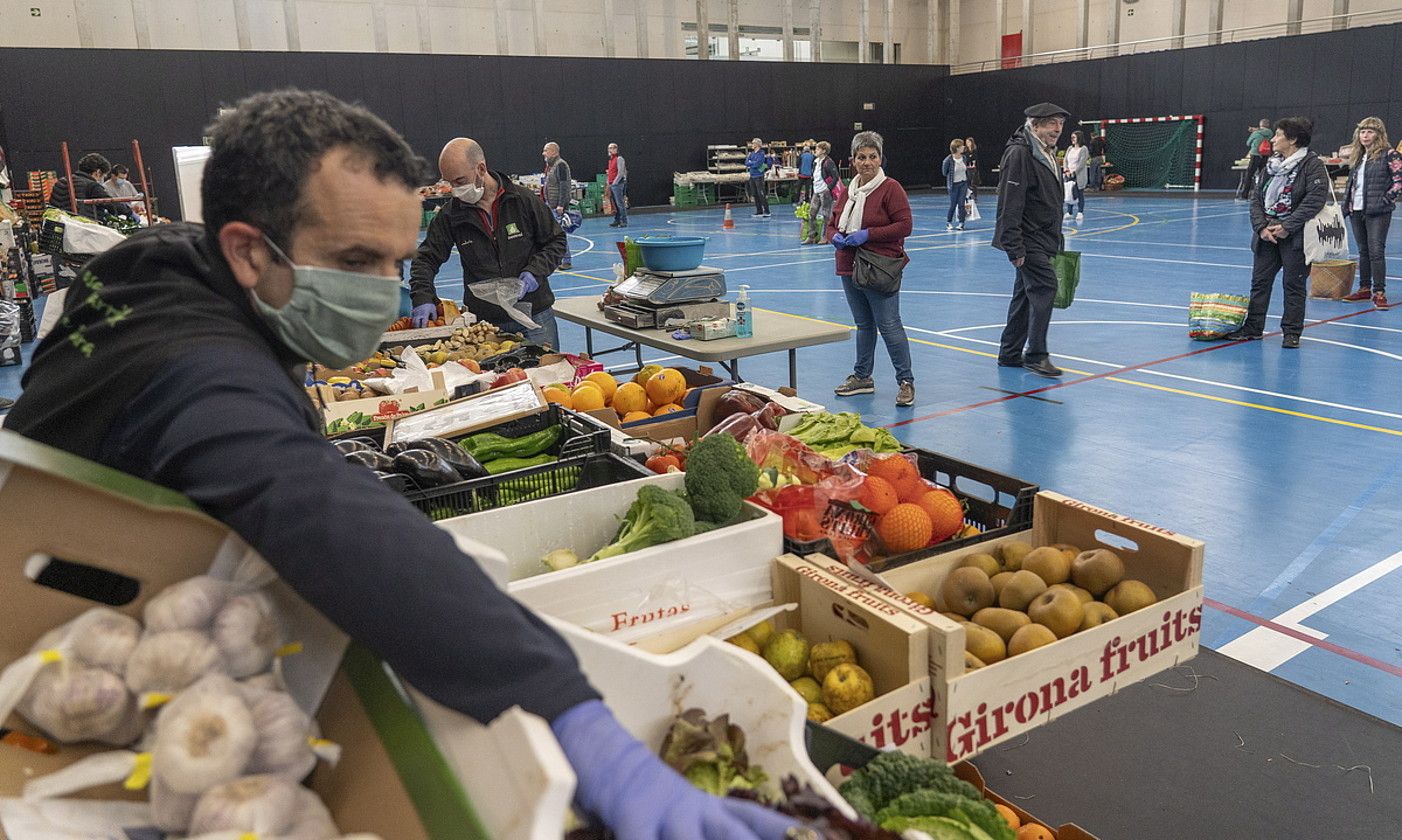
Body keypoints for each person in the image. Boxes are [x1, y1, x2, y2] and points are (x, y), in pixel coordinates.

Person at [3, 89, 795, 840]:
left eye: (398, 261)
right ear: (247, 250)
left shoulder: (161, 262)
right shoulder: (196, 374)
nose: (384, 295)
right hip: (57, 682)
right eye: (354, 259)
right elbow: (325, 514)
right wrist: (568, 709)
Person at [410, 138, 563, 349]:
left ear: (481, 169)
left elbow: (556, 241)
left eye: (460, 181)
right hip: (485, 328)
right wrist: (422, 296)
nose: (455, 190)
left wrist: (533, 274)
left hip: (535, 318)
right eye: (450, 183)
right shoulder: (451, 215)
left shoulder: (523, 201)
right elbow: (425, 259)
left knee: (546, 377)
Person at [1223, 117, 1329, 348]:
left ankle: (1292, 332)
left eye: (1278, 135)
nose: (1272, 139)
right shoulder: (1271, 165)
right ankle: (1253, 327)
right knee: (1260, 282)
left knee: (1294, 285)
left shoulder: (1312, 165)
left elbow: (1315, 200)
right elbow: (1256, 198)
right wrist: (1261, 227)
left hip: (1295, 237)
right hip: (1267, 235)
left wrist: (1287, 226)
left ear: (1292, 139)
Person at [828, 131, 915, 407]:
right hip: (849, 267)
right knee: (864, 325)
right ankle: (863, 376)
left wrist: (868, 234)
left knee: (889, 326)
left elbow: (905, 226)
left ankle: (906, 381)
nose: (867, 162)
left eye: (872, 156)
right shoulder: (847, 193)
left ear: (880, 159)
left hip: (879, 268)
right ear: (853, 161)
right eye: (861, 157)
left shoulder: (891, 188)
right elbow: (831, 224)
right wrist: (834, 238)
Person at [994, 102, 1069, 378]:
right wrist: (1014, 246)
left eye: (1060, 124)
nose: (1057, 130)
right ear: (1035, 125)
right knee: (1045, 287)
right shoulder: (1020, 153)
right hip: (1028, 238)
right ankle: (1037, 355)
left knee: (1025, 295)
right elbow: (1009, 203)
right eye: (1052, 124)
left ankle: (1010, 353)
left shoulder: (1044, 152)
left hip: (1043, 237)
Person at [1340, 116, 1401, 308]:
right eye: (1362, 131)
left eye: (1370, 131)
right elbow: (1353, 185)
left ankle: (1379, 292)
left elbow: (1398, 182)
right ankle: (1364, 289)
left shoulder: (1389, 154)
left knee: (1376, 251)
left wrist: (1385, 200)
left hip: (1378, 211)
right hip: (1357, 210)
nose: (1365, 135)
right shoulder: (1358, 157)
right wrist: (1346, 206)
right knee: (1363, 251)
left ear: (1378, 134)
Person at [48, 152, 131, 221]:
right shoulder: (91, 185)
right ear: (98, 172)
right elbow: (111, 204)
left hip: (59, 224)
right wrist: (129, 212)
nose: (102, 179)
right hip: (82, 228)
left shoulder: (62, 181)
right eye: (103, 176)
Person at [542, 141, 574, 270]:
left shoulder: (561, 165)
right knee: (554, 235)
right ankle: (560, 259)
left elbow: (564, 186)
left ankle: (566, 260)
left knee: (560, 234)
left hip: (557, 207)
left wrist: (561, 205)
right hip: (551, 205)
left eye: (546, 150)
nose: (543, 153)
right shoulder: (552, 166)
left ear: (554, 152)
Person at [802, 140, 839, 245]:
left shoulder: (828, 162)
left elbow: (836, 176)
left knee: (826, 215)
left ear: (823, 151)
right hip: (816, 191)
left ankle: (825, 237)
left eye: (817, 149)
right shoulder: (815, 162)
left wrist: (828, 188)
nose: (815, 150)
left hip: (825, 192)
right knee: (811, 214)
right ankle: (811, 236)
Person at [1238, 118, 1274, 200]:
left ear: (1260, 125)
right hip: (1265, 155)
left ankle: (1244, 195)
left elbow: (1248, 143)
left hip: (1255, 155)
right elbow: (1264, 131)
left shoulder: (1256, 133)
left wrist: (1255, 131)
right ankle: (1262, 195)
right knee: (1263, 175)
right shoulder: (1270, 133)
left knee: (1249, 175)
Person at [942, 139, 970, 231]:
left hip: (963, 183)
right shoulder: (948, 160)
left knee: (961, 204)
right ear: (957, 148)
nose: (963, 147)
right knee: (953, 204)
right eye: (961, 146)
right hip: (953, 185)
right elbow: (944, 172)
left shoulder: (964, 158)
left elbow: (966, 170)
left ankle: (961, 223)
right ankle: (948, 222)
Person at [1063, 131, 1088, 223]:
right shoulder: (1070, 148)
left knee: (1079, 193)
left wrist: (1074, 172)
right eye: (1071, 137)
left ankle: (1080, 212)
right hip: (1068, 175)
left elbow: (1082, 163)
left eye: (1074, 137)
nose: (1072, 139)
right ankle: (1069, 212)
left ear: (1079, 138)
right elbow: (1065, 160)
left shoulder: (1083, 149)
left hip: (1078, 176)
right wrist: (1066, 170)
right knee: (1069, 193)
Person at [745, 138, 771, 218]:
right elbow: (746, 162)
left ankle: (767, 211)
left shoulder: (761, 154)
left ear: (757, 144)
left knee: (761, 194)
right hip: (752, 176)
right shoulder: (752, 153)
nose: (752, 145)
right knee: (755, 194)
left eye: (753, 143)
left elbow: (758, 164)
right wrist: (752, 163)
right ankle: (759, 211)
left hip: (759, 176)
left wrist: (751, 163)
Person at [606, 142, 628, 228]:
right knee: (615, 204)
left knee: (620, 203)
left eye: (613, 148)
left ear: (616, 149)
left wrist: (615, 183)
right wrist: (608, 183)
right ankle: (617, 219)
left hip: (618, 184)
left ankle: (623, 221)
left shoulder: (619, 159)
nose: (611, 150)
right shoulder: (610, 160)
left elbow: (621, 172)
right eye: (610, 148)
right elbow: (610, 173)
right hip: (612, 184)